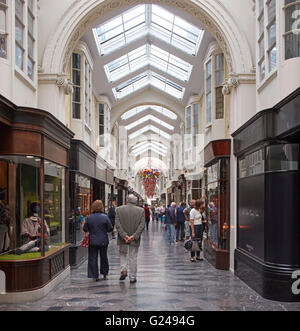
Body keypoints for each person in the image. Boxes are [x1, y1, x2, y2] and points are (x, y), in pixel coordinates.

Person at [115, 194, 145, 284]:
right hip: (134, 239)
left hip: (122, 238)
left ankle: (123, 269)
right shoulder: (141, 211)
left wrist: (124, 236)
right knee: (133, 257)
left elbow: (117, 224)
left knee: (122, 254)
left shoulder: (119, 209)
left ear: (127, 200)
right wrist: (133, 236)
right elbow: (142, 225)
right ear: (135, 201)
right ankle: (132, 277)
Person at [83, 200, 113, 281]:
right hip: (103, 240)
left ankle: (94, 275)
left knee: (93, 257)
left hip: (93, 240)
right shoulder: (105, 217)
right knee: (104, 257)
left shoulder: (89, 217)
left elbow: (85, 228)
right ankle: (104, 273)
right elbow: (110, 228)